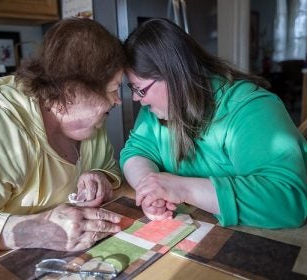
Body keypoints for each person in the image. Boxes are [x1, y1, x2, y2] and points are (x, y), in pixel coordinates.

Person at [0, 18, 126, 258]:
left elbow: (108, 168)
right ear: (72, 92)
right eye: (114, 90)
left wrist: (101, 176)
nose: (118, 101)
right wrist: (34, 230)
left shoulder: (92, 125)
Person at [120, 18, 307, 229]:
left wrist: (183, 189)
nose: (137, 99)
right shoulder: (155, 110)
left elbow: (286, 201)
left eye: (140, 89)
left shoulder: (250, 108)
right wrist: (150, 188)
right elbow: (137, 151)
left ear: (173, 75)